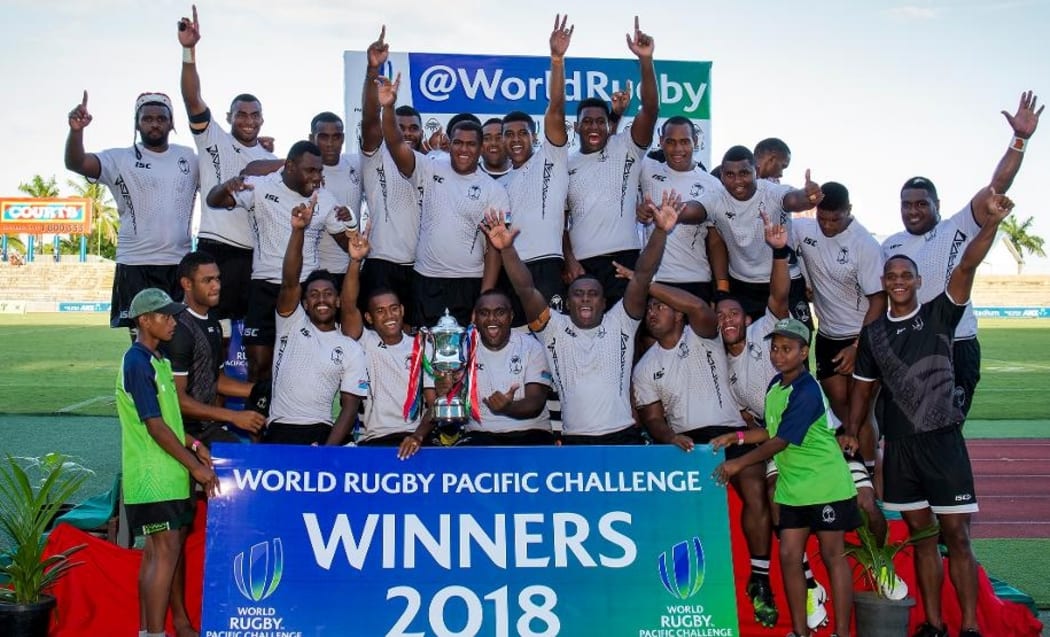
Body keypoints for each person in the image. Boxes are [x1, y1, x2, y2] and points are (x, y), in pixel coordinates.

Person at [843, 190, 1017, 637]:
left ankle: (971, 627)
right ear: (885, 282)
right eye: (892, 275)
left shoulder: (941, 313)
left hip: (942, 443)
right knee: (921, 540)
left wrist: (991, 224)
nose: (899, 280)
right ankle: (935, 626)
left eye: (906, 274)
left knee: (957, 537)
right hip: (900, 448)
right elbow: (862, 392)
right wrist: (853, 429)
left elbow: (967, 266)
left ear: (918, 281)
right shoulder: (875, 334)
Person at [881, 91, 1041, 417]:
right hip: (909, 346)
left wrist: (1019, 139)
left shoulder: (957, 226)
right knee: (905, 430)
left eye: (921, 203)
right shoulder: (889, 246)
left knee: (946, 429)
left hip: (957, 344)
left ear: (937, 205)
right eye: (906, 204)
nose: (913, 211)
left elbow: (997, 185)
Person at [633, 280, 781, 625]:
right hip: (685, 441)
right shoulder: (644, 366)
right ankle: (683, 591)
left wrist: (646, 283)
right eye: (650, 308)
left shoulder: (704, 334)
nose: (653, 313)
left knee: (755, 489)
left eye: (661, 307)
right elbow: (652, 417)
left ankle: (760, 579)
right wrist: (668, 436)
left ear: (679, 315)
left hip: (730, 431)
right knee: (684, 515)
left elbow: (700, 308)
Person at [481, 190, 677, 444]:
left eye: (592, 294)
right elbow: (525, 289)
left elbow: (642, 275)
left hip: (623, 436)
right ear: (567, 302)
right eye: (578, 294)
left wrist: (660, 232)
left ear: (604, 302)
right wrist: (507, 251)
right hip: (575, 440)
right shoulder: (553, 328)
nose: (585, 298)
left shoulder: (621, 322)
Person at [714, 317, 860, 637]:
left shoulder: (807, 390)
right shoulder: (776, 385)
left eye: (788, 349)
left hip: (825, 484)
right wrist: (736, 438)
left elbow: (780, 442)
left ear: (803, 351)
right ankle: (800, 631)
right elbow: (771, 430)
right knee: (789, 555)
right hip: (794, 486)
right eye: (775, 348)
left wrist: (737, 465)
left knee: (834, 556)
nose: (779, 355)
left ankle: (842, 633)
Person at [115, 288, 219, 637]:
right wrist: (194, 466)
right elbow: (155, 426)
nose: (173, 322)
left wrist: (193, 442)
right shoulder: (137, 362)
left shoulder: (156, 361)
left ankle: (149, 631)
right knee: (164, 553)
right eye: (165, 316)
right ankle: (155, 633)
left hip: (164, 475)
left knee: (155, 555)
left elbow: (169, 420)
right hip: (154, 476)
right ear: (145, 321)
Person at [376, 60, 511, 328]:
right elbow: (395, 145)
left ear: (481, 147)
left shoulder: (494, 191)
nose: (464, 149)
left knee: (462, 357)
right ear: (449, 143)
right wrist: (388, 108)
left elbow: (494, 251)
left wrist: (484, 296)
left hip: (469, 282)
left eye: (471, 144)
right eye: (458, 142)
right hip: (425, 279)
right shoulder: (429, 166)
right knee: (424, 352)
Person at [205, 141, 348, 382]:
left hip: (305, 289)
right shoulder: (260, 187)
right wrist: (224, 187)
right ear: (290, 166)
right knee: (260, 364)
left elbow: (347, 243)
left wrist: (351, 224)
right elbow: (214, 201)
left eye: (320, 170)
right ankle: (260, 418)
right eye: (310, 170)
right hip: (264, 286)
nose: (317, 177)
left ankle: (301, 418)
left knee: (304, 364)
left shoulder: (324, 198)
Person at [792, 181, 887, 532]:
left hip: (862, 336)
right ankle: (853, 477)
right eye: (823, 218)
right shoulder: (805, 229)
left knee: (862, 413)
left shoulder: (864, 244)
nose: (828, 225)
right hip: (829, 336)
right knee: (842, 411)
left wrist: (858, 347)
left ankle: (871, 482)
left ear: (849, 211)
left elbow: (879, 299)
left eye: (835, 218)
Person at [64, 90, 198, 332]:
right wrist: (76, 131)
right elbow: (77, 162)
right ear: (137, 123)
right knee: (143, 340)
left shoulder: (188, 157)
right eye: (147, 118)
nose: (155, 124)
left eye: (161, 118)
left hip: (179, 264)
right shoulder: (119, 159)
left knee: (178, 339)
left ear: (172, 123)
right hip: (136, 263)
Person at [178, 5, 277, 323]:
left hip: (254, 256)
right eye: (241, 114)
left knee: (244, 339)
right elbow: (192, 97)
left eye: (254, 115)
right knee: (210, 331)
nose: (248, 120)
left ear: (262, 119)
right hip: (215, 247)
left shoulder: (272, 162)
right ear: (229, 117)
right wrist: (188, 51)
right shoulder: (213, 139)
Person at [563, 16, 659, 307]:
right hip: (582, 265)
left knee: (626, 341)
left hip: (625, 259)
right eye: (587, 122)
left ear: (609, 125)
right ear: (576, 127)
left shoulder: (625, 148)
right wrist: (570, 261)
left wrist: (646, 60)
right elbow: (558, 222)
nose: (594, 127)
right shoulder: (565, 164)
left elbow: (651, 110)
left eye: (600, 121)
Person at [264, 197, 368, 445]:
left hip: (322, 431)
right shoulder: (291, 323)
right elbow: (290, 281)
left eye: (328, 294)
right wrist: (298, 230)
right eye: (314, 294)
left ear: (338, 301)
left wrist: (326, 453)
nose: (322, 299)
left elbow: (350, 406)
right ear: (304, 304)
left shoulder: (351, 348)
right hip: (281, 429)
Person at [684, 146, 822, 324]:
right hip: (743, 285)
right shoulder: (716, 198)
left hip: (785, 282)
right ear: (722, 176)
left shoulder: (771, 192)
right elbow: (695, 209)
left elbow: (793, 200)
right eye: (730, 175)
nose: (737, 181)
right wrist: (673, 212)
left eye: (744, 173)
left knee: (795, 340)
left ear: (756, 171)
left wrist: (808, 198)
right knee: (746, 346)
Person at [498, 14, 574, 321]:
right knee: (514, 340)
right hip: (511, 268)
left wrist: (556, 60)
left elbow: (555, 108)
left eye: (522, 133)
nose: (516, 140)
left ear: (535, 137)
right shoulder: (498, 183)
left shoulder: (550, 158)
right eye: (508, 135)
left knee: (550, 342)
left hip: (547, 267)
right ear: (501, 141)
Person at [339, 230, 435, 454]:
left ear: (402, 310)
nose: (389, 316)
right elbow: (348, 305)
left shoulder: (422, 346)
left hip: (415, 439)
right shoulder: (364, 342)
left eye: (393, 309)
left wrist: (418, 436)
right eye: (380, 311)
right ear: (369, 318)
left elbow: (434, 404)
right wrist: (355, 261)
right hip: (374, 441)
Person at [161, 251, 266, 447]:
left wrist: (261, 391)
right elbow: (177, 399)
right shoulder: (177, 328)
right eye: (207, 280)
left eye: (218, 278)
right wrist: (233, 416)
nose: (216, 286)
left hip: (204, 427)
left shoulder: (212, 323)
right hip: (179, 431)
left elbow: (214, 381)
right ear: (187, 284)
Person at [358, 28, 425, 321]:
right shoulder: (376, 154)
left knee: (415, 346)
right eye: (401, 127)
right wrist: (374, 69)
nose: (407, 133)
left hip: (422, 269)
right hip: (381, 265)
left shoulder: (431, 164)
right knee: (377, 341)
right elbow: (370, 120)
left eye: (413, 128)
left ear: (422, 132)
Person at [638, 116, 723, 303]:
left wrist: (722, 288)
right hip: (655, 279)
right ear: (661, 142)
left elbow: (715, 241)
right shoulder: (646, 169)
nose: (678, 149)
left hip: (696, 280)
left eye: (685, 142)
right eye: (671, 142)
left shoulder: (713, 185)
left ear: (696, 141)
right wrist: (639, 210)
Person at [310, 111, 363, 290]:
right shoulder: (305, 172)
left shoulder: (355, 163)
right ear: (312, 138)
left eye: (336, 137)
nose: (331, 144)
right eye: (323, 137)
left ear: (343, 138)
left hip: (354, 266)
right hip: (318, 270)